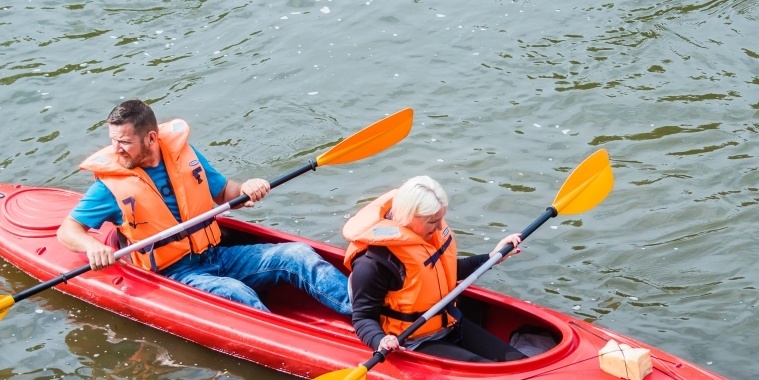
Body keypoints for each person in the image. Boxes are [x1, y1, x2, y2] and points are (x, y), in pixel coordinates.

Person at [57, 99, 351, 315]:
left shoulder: (184, 155)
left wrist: (246, 189)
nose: (116, 150)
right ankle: (298, 346)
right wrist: (91, 246)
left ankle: (366, 316)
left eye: (124, 142)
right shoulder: (109, 186)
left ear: (151, 138)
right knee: (236, 293)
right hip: (177, 274)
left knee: (297, 254)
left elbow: (224, 192)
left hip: (216, 254)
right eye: (113, 142)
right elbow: (68, 231)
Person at [343, 175, 527, 363]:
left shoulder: (427, 235)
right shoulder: (373, 264)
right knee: (488, 372)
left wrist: (491, 258)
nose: (439, 227)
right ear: (409, 216)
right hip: (415, 340)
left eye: (441, 219)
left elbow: (446, 270)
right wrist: (380, 340)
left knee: (518, 360)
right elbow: (363, 318)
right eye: (432, 222)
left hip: (452, 322)